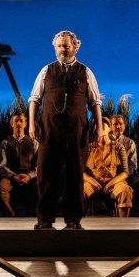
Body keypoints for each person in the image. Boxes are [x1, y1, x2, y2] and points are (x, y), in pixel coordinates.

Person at [28, 29, 104, 230]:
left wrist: (100, 128)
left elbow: (95, 102)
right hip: (49, 130)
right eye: (59, 46)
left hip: (76, 130)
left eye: (66, 45)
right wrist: (31, 123)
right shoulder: (46, 71)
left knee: (74, 174)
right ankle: (45, 219)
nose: (63, 49)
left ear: (75, 46)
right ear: (55, 47)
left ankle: (73, 220)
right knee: (46, 174)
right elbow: (34, 99)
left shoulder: (85, 72)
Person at [83, 116, 134, 217]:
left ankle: (123, 227)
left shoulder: (118, 147)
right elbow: (81, 171)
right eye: (97, 125)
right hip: (93, 184)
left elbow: (125, 172)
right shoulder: (89, 147)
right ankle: (79, 226)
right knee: (80, 189)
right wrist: (91, 180)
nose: (100, 126)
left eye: (103, 124)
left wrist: (112, 182)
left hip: (113, 183)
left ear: (109, 128)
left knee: (125, 190)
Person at [0, 112, 39, 217]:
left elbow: (39, 166)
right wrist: (13, 176)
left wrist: (29, 176)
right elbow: (1, 166)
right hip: (11, 177)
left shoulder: (34, 143)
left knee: (40, 185)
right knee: (2, 187)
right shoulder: (5, 142)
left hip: (29, 177)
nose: (19, 124)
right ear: (12, 124)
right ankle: (12, 214)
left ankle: (33, 213)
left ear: (25, 124)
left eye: (21, 121)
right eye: (16, 121)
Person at [108, 113, 139, 214]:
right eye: (115, 124)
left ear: (124, 126)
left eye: (121, 124)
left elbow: (132, 165)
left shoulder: (129, 143)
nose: (118, 126)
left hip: (127, 175)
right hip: (110, 176)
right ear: (110, 126)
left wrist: (124, 176)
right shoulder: (107, 140)